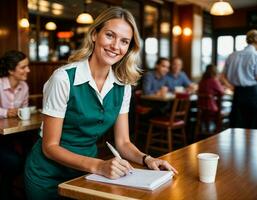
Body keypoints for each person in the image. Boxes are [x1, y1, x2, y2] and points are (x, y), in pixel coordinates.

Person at [24, 7, 178, 200]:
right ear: (95, 34)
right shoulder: (63, 78)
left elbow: (123, 142)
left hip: (85, 174)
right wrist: (99, 166)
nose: (115, 46)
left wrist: (147, 159)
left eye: (124, 41)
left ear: (129, 48)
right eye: (110, 35)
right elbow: (50, 146)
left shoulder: (124, 86)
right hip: (47, 176)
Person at [0, 50, 30, 200]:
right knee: (13, 162)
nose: (28, 70)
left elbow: (23, 109)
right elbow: (11, 113)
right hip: (2, 136)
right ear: (11, 70)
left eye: (27, 66)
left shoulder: (24, 86)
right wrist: (6, 112)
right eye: (23, 67)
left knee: (31, 154)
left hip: (14, 136)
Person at [222, 29, 257, 129]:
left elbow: (222, 77)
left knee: (237, 125)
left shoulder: (232, 55)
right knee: (252, 126)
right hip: (252, 93)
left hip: (237, 93)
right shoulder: (255, 55)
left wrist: (232, 87)